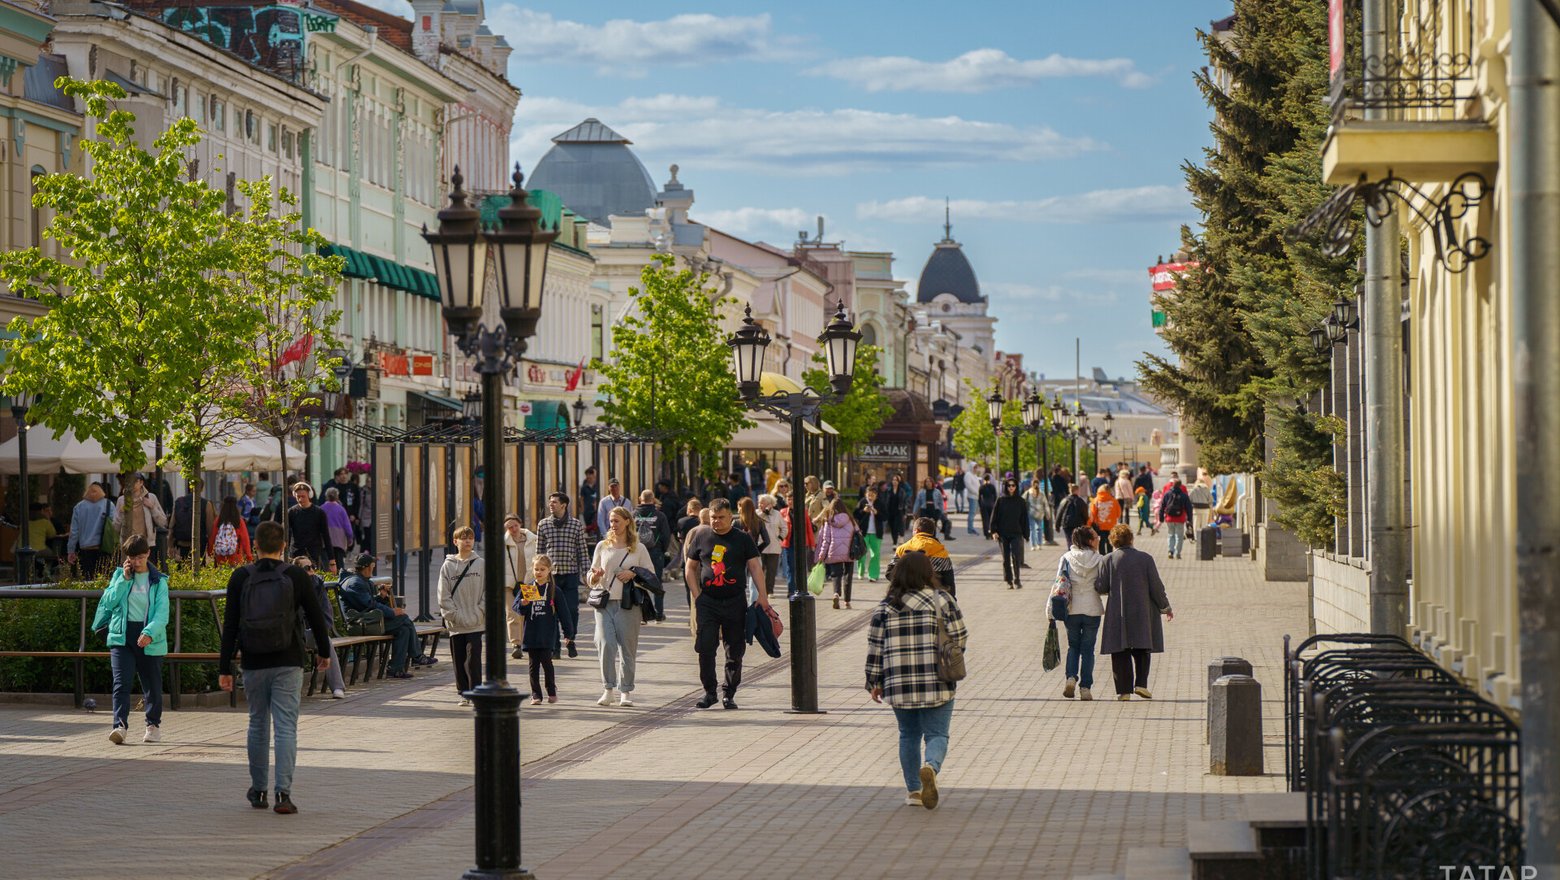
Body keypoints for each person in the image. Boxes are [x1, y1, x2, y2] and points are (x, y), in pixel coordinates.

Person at [218, 521, 332, 814]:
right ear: (283, 546)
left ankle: (258, 790)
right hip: (288, 659)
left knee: (257, 723)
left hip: (254, 660)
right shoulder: (295, 575)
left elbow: (230, 625)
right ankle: (283, 793)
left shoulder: (241, 576)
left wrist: (225, 667)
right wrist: (322, 651)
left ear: (255, 546)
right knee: (285, 726)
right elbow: (316, 616)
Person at [865, 551, 967, 810]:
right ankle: (930, 767)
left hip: (899, 683)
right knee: (937, 733)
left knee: (907, 734)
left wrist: (873, 681)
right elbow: (960, 636)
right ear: (927, 573)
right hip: (937, 679)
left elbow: (875, 647)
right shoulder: (941, 600)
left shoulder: (886, 607)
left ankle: (913, 791)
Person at [684, 498, 772, 709]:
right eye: (713, 518)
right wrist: (697, 595)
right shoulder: (701, 536)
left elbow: (754, 566)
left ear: (730, 517)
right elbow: (690, 567)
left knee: (735, 649)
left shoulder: (742, 538)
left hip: (735, 601)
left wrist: (763, 595)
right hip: (707, 602)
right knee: (705, 647)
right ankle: (709, 692)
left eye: (721, 518)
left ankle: (729, 693)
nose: (716, 522)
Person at [92, 535, 170, 744]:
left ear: (148, 554)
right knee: (121, 683)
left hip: (149, 637)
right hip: (122, 635)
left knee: (152, 684)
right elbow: (108, 603)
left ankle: (152, 725)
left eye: (140, 557)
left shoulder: (159, 581)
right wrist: (124, 580)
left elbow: (162, 613)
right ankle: (120, 726)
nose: (135, 562)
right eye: (131, 558)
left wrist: (149, 632)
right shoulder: (120, 576)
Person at [1096, 524, 1173, 700]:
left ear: (1113, 541)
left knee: (1119, 649)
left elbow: (1101, 587)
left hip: (1118, 610)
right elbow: (1156, 586)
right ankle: (1141, 684)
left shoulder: (1107, 559)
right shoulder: (1146, 559)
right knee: (1142, 646)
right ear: (1131, 539)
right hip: (1142, 609)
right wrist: (1165, 606)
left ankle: (1124, 691)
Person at [587, 505, 654, 708]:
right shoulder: (602, 546)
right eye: (611, 520)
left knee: (627, 648)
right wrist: (595, 576)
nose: (613, 524)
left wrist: (633, 573)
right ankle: (608, 689)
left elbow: (651, 574)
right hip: (604, 603)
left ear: (627, 522)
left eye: (617, 520)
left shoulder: (638, 548)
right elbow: (590, 579)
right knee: (605, 644)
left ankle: (625, 691)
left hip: (629, 604)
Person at [338, 553, 432, 678]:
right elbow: (369, 605)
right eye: (372, 566)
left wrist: (381, 596)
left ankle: (396, 669)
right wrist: (393, 612)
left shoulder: (361, 580)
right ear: (366, 567)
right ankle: (417, 656)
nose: (373, 569)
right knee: (403, 619)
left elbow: (368, 604)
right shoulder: (355, 583)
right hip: (360, 624)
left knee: (403, 630)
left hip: (368, 620)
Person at [536, 492, 590, 661]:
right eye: (550, 502)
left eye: (554, 502)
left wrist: (587, 574)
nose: (550, 505)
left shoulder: (575, 525)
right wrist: (537, 574)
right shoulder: (543, 525)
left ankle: (570, 638)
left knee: (572, 610)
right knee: (551, 613)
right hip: (551, 577)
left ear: (564, 505)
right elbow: (539, 552)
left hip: (570, 575)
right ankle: (555, 648)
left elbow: (582, 551)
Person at [1055, 527, 1106, 701]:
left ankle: (1070, 677)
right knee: (1088, 650)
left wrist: (1050, 610)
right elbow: (1104, 585)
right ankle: (1085, 688)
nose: (1098, 539)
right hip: (1092, 609)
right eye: (1095, 537)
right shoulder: (1100, 560)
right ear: (1089, 541)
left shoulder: (1066, 558)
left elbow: (1058, 584)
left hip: (1072, 609)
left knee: (1073, 646)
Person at [437, 526, 485, 705]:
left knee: (473, 660)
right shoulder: (448, 565)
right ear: (455, 542)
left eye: (470, 538)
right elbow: (443, 594)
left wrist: (480, 611)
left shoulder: (481, 564)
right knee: (459, 660)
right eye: (463, 538)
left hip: (475, 621)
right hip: (455, 623)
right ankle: (464, 692)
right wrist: (453, 614)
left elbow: (488, 591)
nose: (467, 541)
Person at [291, 556, 346, 699]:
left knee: (326, 641)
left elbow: (325, 613)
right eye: (307, 568)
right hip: (294, 633)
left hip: (311, 633)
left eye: (312, 567)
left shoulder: (317, 584)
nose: (311, 571)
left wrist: (319, 633)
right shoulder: (290, 585)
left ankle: (338, 687)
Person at [519, 554, 560, 704]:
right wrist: (523, 603)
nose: (539, 572)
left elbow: (564, 613)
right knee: (532, 666)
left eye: (542, 569)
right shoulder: (529, 588)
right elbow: (518, 608)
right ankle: (536, 694)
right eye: (536, 569)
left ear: (549, 570)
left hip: (546, 634)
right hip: (531, 633)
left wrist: (569, 634)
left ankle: (551, 690)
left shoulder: (553, 590)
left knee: (547, 663)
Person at [632, 489, 674, 621]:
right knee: (656, 583)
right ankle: (659, 614)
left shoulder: (633, 515)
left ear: (640, 499)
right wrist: (661, 550)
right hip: (655, 552)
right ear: (653, 499)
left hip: (636, 552)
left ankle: (641, 614)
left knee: (637, 582)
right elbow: (666, 536)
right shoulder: (660, 516)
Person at [894, 517, 956, 597]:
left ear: (916, 531)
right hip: (934, 598)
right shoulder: (941, 551)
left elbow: (890, 573)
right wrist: (951, 601)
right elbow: (948, 581)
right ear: (932, 532)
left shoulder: (902, 549)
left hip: (906, 596)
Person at [813, 497, 857, 609]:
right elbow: (858, 534)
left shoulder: (828, 521)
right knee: (848, 576)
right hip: (849, 552)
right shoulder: (850, 520)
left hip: (834, 552)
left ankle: (836, 594)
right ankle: (847, 602)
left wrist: (821, 556)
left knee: (836, 575)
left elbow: (825, 541)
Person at [67, 482, 117, 580]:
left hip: (86, 548)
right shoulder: (109, 505)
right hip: (104, 547)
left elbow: (74, 532)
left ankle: (88, 595)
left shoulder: (79, 507)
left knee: (88, 577)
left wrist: (71, 550)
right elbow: (115, 526)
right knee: (105, 578)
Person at [114, 474, 168, 563]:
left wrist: (152, 507)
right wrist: (121, 512)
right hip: (128, 544)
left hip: (146, 544)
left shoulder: (151, 497)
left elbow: (163, 522)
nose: (131, 484)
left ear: (141, 482)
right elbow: (116, 527)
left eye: (135, 481)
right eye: (128, 481)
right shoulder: (121, 500)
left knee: (147, 572)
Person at [988, 478, 1030, 588]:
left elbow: (1024, 519)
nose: (1011, 487)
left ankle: (1017, 579)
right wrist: (993, 531)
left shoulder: (1020, 501)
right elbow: (994, 517)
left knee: (1016, 556)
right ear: (1006, 487)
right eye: (1009, 485)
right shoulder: (1001, 500)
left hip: (1016, 533)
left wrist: (1026, 534)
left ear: (1016, 487)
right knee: (1005, 558)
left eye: (1013, 485)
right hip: (1003, 534)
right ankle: (1009, 580)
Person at [501, 514, 532, 660]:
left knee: (528, 613)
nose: (513, 529)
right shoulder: (503, 543)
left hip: (528, 582)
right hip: (509, 584)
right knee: (512, 614)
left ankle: (528, 641)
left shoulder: (533, 540)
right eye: (509, 527)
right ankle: (516, 644)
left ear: (520, 524)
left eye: (515, 525)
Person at [778, 487, 814, 596]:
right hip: (788, 544)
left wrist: (812, 544)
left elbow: (808, 529)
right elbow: (779, 528)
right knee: (791, 568)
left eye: (792, 499)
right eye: (789, 499)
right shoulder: (783, 512)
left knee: (802, 568)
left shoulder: (803, 511)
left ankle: (802, 589)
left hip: (802, 544)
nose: (790, 501)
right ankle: (791, 590)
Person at [285, 483, 329, 569]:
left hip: (314, 553)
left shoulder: (319, 512)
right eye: (298, 496)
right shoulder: (291, 512)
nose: (300, 499)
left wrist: (331, 560)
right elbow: (287, 533)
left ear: (309, 495)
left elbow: (326, 536)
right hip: (296, 553)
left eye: (303, 496)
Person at [735, 496, 771, 598]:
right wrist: (757, 550)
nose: (738, 509)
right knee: (754, 584)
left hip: (739, 555)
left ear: (742, 507)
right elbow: (767, 541)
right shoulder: (759, 521)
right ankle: (753, 607)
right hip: (754, 555)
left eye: (739, 506)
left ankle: (741, 605)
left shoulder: (737, 522)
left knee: (739, 582)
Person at [853, 486, 886, 583]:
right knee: (862, 553)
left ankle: (873, 575)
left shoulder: (880, 503)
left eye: (873, 495)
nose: (870, 497)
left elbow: (885, 517)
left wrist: (877, 513)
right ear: (865, 494)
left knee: (875, 554)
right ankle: (861, 572)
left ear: (876, 495)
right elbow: (855, 514)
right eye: (869, 494)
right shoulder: (862, 502)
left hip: (876, 533)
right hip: (863, 532)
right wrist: (863, 511)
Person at [209, 496, 253, 566]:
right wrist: (249, 557)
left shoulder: (218, 520)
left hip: (220, 557)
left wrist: (210, 553)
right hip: (236, 557)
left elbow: (212, 538)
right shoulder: (239, 521)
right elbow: (245, 540)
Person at [755, 493, 784, 597]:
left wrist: (780, 538)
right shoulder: (757, 513)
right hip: (760, 546)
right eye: (759, 502)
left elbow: (784, 528)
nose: (759, 504)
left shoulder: (777, 514)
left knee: (771, 571)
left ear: (770, 504)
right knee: (760, 571)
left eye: (762, 503)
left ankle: (770, 591)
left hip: (774, 547)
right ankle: (760, 591)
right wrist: (764, 513)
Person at [1158, 473, 1192, 560]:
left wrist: (1161, 517)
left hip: (1169, 518)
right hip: (1180, 518)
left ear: (1172, 485)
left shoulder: (1167, 494)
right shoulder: (1184, 495)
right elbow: (1189, 507)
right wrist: (1189, 519)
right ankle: (1178, 553)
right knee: (1179, 536)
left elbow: (1162, 506)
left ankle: (1170, 551)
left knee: (1170, 535)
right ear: (1180, 486)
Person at [320, 487, 353, 575]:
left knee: (326, 565)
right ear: (337, 497)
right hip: (339, 541)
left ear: (326, 496)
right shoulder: (341, 509)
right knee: (340, 565)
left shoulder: (321, 509)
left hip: (324, 542)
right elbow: (347, 527)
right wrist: (350, 539)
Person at [912, 477, 954, 541]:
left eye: (929, 482)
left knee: (933, 525)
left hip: (934, 510)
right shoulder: (921, 492)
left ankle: (933, 539)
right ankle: (925, 539)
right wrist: (914, 512)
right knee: (925, 525)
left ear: (932, 483)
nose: (928, 483)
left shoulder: (937, 491)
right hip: (925, 509)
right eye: (927, 482)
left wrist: (943, 510)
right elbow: (917, 502)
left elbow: (940, 502)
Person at [1023, 476, 1055, 549]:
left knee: (1034, 529)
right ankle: (1038, 544)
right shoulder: (1040, 493)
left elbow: (1022, 500)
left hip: (1032, 512)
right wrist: (1047, 514)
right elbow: (1046, 504)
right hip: (1038, 513)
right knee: (1038, 529)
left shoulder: (1029, 492)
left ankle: (1034, 545)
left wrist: (1047, 513)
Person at [1088, 485, 1122, 553]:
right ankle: (1109, 556)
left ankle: (1102, 557)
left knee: (1101, 542)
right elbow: (1119, 514)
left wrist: (1089, 524)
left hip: (1100, 526)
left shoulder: (1096, 500)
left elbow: (1092, 514)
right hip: (1111, 525)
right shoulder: (1114, 501)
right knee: (1110, 541)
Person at [884, 473, 911, 545]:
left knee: (899, 526)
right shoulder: (888, 490)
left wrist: (905, 513)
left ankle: (900, 538)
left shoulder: (902, 491)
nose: (894, 481)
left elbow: (905, 503)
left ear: (899, 482)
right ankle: (894, 542)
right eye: (893, 480)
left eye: (896, 480)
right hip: (891, 512)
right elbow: (886, 501)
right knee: (892, 528)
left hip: (899, 511)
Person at [579, 467, 600, 535]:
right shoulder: (584, 487)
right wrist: (582, 508)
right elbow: (581, 498)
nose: (589, 479)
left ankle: (594, 536)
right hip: (587, 510)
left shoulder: (597, 486)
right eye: (587, 478)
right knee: (588, 526)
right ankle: (590, 537)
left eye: (590, 478)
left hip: (595, 510)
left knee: (594, 525)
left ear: (594, 477)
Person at [976, 473, 998, 539]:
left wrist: (980, 505)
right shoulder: (992, 486)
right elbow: (995, 496)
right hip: (991, 504)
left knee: (985, 520)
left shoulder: (982, 487)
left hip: (984, 504)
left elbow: (979, 497)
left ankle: (987, 534)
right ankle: (991, 533)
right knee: (992, 520)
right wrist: (994, 504)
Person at [963, 464, 982, 534]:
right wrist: (977, 492)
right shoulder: (968, 475)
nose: (976, 469)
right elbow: (969, 486)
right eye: (975, 468)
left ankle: (970, 527)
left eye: (976, 468)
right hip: (972, 496)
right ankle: (970, 529)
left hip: (976, 496)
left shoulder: (974, 475)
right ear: (971, 468)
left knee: (975, 511)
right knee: (972, 512)